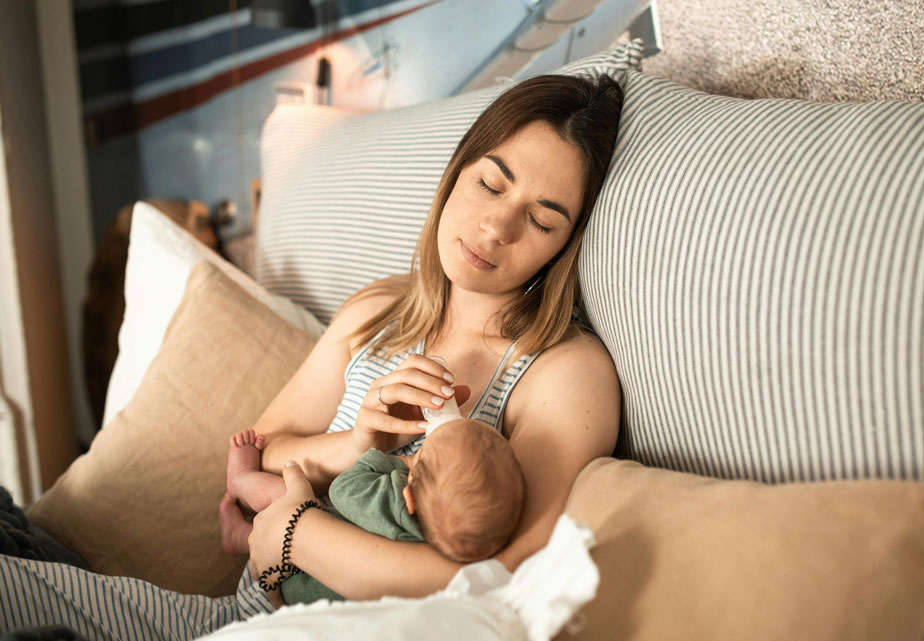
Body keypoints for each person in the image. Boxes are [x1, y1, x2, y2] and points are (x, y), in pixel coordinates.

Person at [0, 71, 623, 639]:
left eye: (541, 221)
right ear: (457, 171)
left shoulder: (562, 370)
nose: (496, 228)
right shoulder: (377, 312)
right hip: (230, 615)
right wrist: (354, 446)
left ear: (564, 247)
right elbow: (260, 450)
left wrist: (296, 531)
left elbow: (508, 575)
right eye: (490, 183)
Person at [219, 417, 525, 603]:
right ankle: (239, 535)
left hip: (303, 580)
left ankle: (240, 480)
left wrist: (399, 462)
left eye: (422, 457)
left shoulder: (392, 505)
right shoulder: (450, 545)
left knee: (287, 495)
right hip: (320, 602)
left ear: (410, 497)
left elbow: (343, 490)